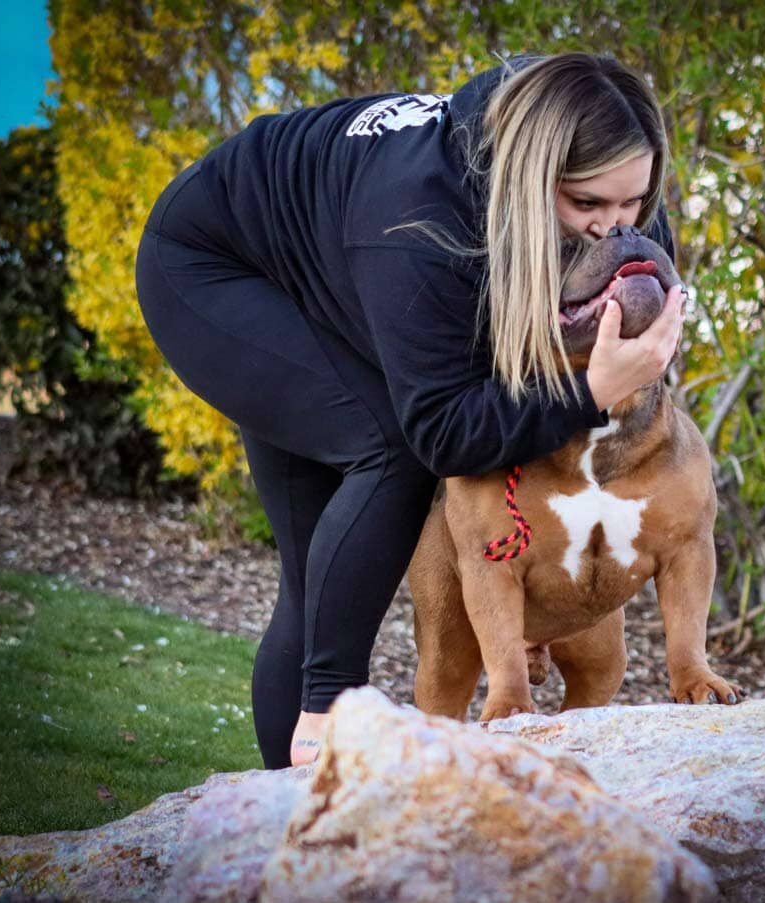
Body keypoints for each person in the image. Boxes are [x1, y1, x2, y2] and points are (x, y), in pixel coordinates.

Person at [134, 52, 685, 769]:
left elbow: (546, 363)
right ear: (530, 175)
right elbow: (444, 432)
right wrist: (587, 395)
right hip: (217, 266)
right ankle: (326, 714)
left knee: (314, 581)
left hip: (329, 265)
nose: (615, 228)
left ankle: (294, 832)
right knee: (391, 445)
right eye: (587, 206)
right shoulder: (422, 217)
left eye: (633, 204)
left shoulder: (610, 184)